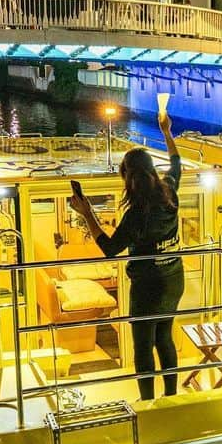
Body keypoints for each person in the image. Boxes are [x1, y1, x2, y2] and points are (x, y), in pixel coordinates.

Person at [70, 111, 184, 401]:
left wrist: (87, 214)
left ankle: (147, 401)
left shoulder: (136, 215)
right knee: (164, 336)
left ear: (127, 177)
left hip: (148, 287)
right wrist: (166, 132)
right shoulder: (169, 192)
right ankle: (171, 395)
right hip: (174, 277)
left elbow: (109, 248)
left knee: (143, 345)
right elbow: (176, 162)